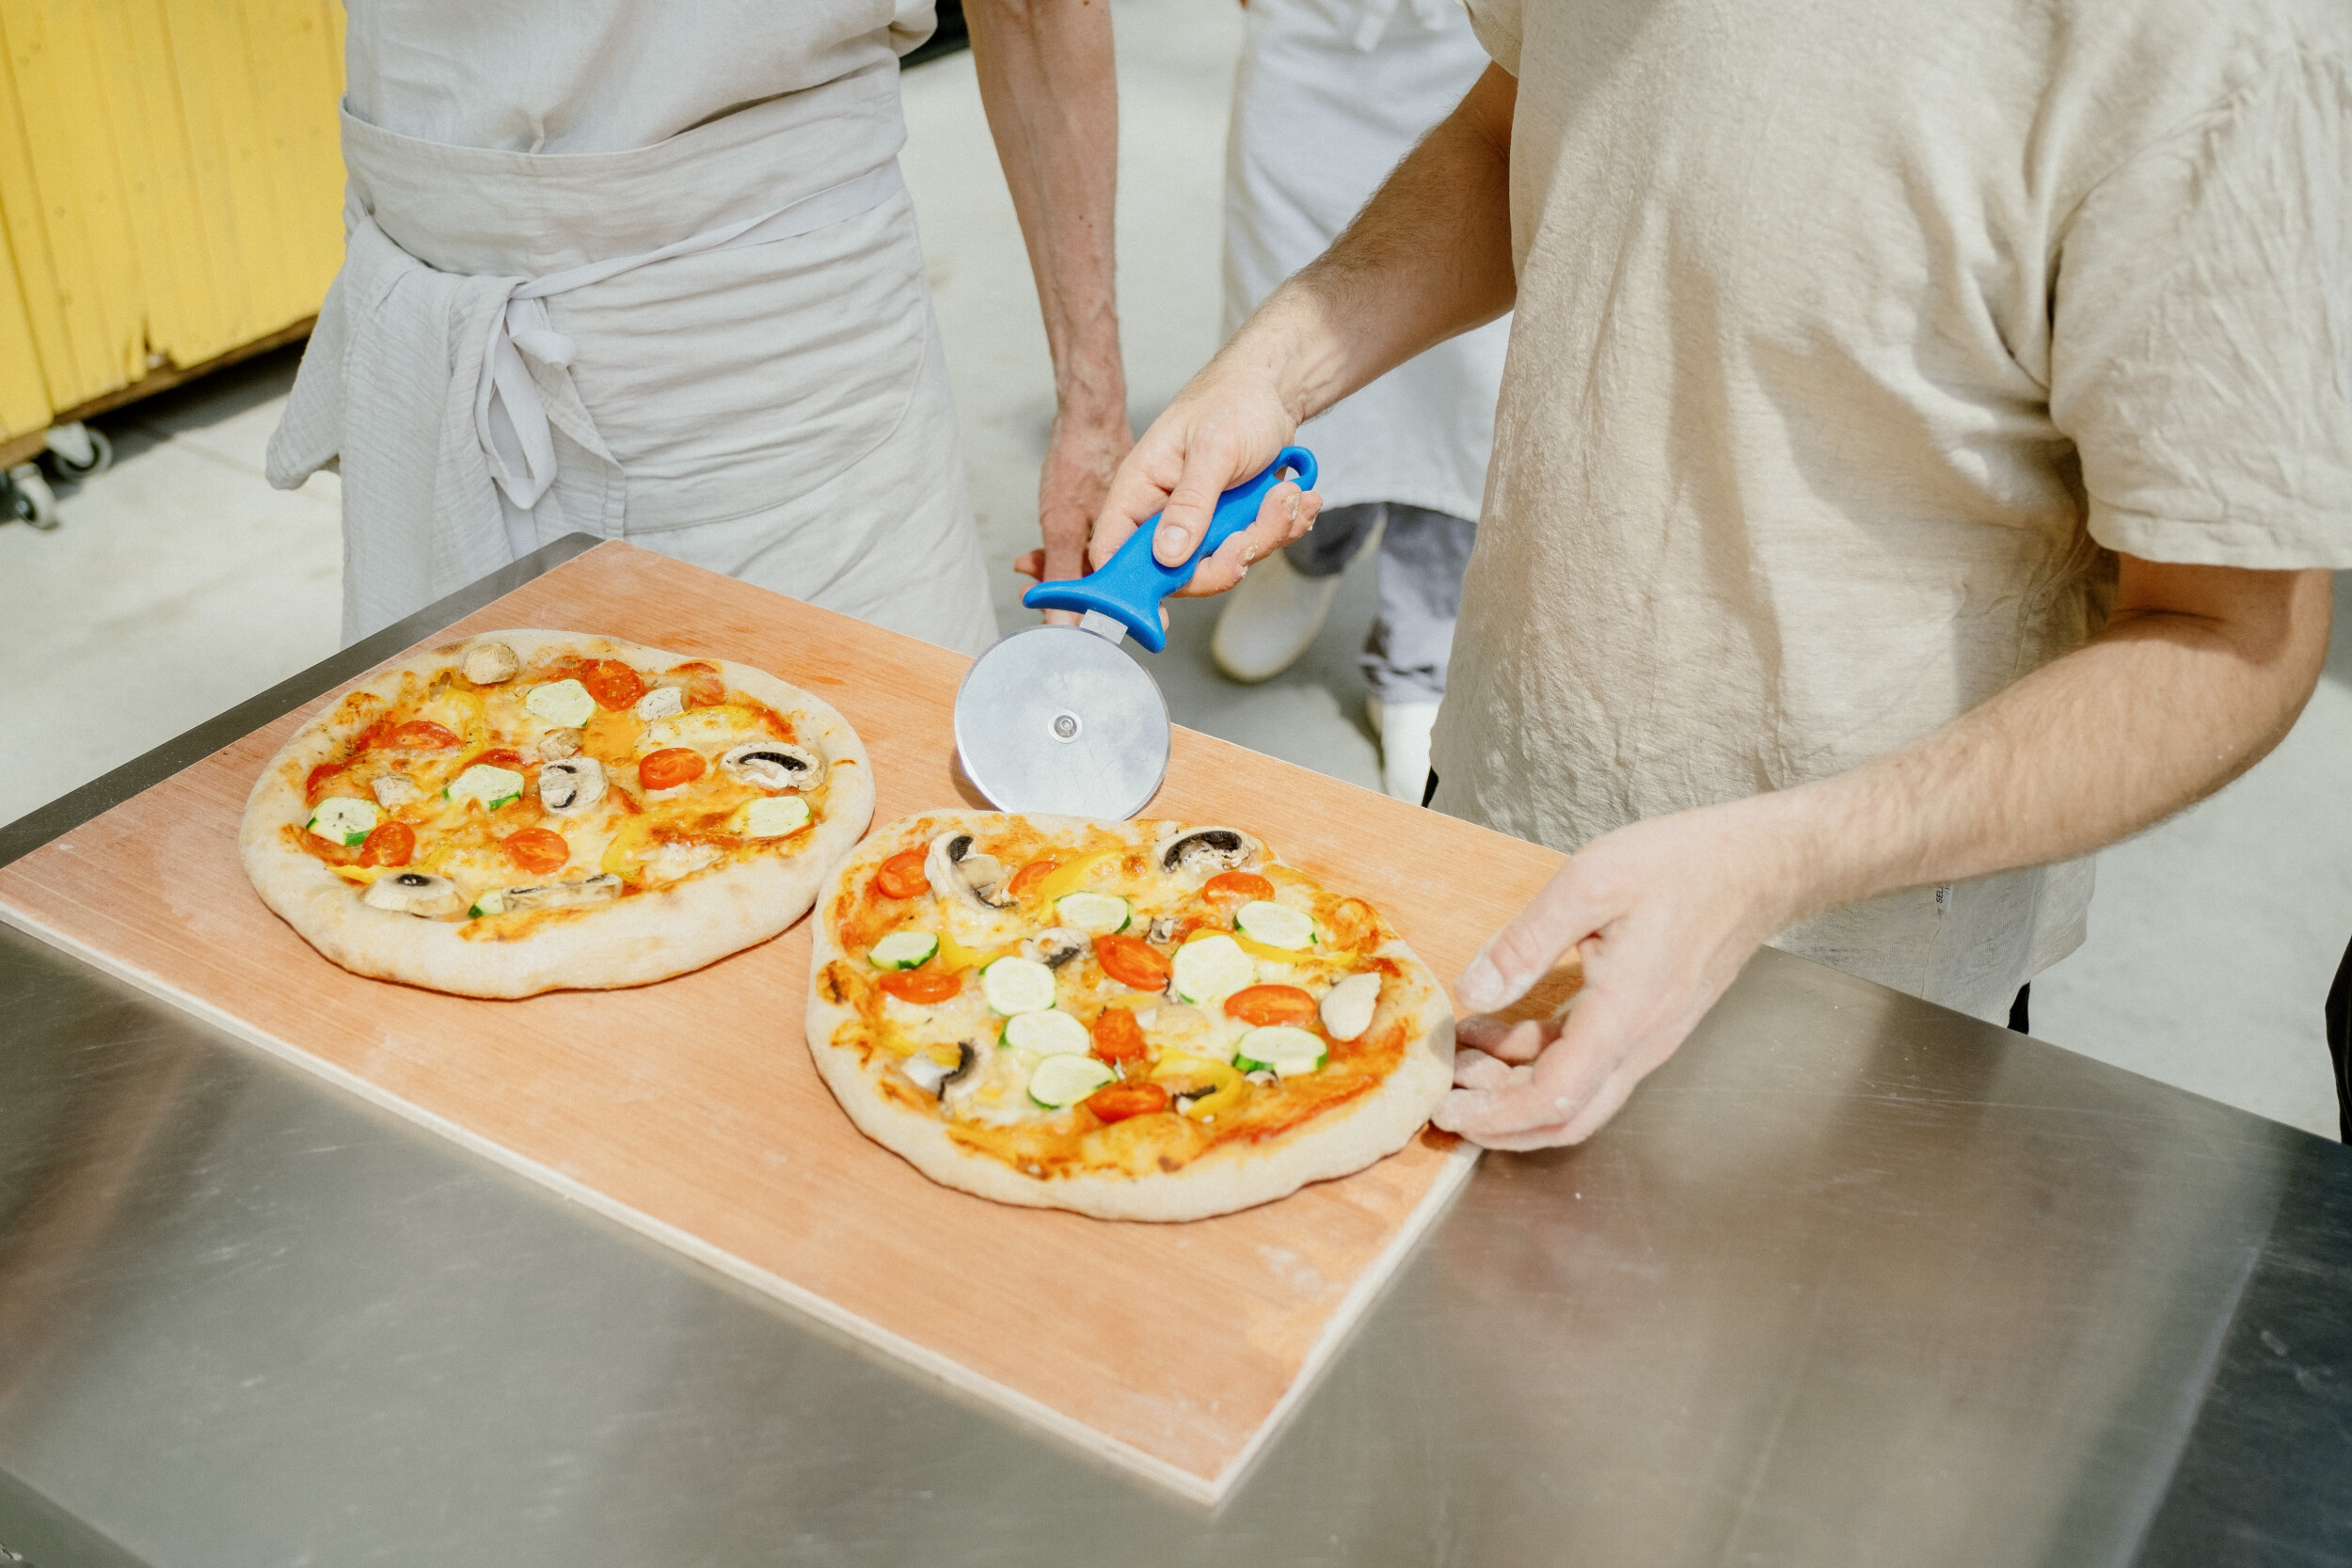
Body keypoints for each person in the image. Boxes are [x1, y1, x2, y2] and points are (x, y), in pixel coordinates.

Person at [1077, 0, 2351, 1148]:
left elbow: (2235, 636)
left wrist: (1777, 861)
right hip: (1492, 815)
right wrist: (1278, 368)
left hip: (1855, 970)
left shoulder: (2216, 49)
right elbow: (1515, 126)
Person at [267, 1, 1130, 658]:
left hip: (763, 357)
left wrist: (1092, 399)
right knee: (449, 830)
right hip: (430, 325)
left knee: (882, 840)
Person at [1208, 0, 1507, 800]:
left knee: (1465, 384)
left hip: (1484, 44)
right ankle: (1311, 552)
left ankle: (1421, 648)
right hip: (1311, 36)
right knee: (1289, 323)